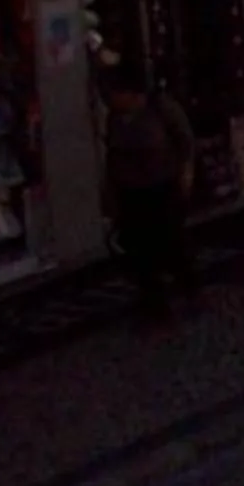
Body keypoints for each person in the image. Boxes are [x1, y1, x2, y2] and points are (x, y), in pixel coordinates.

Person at [104, 67, 198, 321]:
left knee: (169, 240)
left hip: (161, 185)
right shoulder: (115, 118)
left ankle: (187, 287)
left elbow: (184, 140)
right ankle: (154, 304)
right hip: (131, 190)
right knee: (140, 249)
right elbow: (112, 155)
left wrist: (184, 175)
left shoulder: (160, 108)